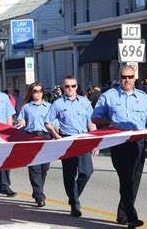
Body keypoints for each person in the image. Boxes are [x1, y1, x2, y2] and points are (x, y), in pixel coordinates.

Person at [92, 66, 147, 228]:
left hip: (138, 142)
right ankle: (131, 217)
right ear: (119, 77)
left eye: (130, 77)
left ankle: (123, 214)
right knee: (126, 179)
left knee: (134, 179)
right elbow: (95, 118)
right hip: (119, 142)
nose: (127, 80)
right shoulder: (108, 96)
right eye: (124, 77)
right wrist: (110, 123)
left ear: (135, 78)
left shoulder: (143, 97)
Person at [44, 76, 97, 218]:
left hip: (83, 139)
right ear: (63, 87)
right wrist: (56, 136)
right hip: (67, 140)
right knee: (69, 174)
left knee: (87, 172)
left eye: (73, 86)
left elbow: (91, 123)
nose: (70, 89)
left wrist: (95, 142)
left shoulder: (85, 102)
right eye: (67, 86)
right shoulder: (58, 104)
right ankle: (75, 204)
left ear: (77, 87)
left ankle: (73, 196)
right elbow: (48, 122)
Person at [16, 82, 51, 208]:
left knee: (44, 168)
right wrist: (21, 122)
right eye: (35, 91)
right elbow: (20, 121)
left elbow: (55, 122)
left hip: (46, 137)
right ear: (31, 93)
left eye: (40, 90)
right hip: (31, 137)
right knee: (34, 168)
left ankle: (37, 190)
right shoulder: (26, 107)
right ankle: (40, 196)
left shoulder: (49, 106)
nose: (38, 93)